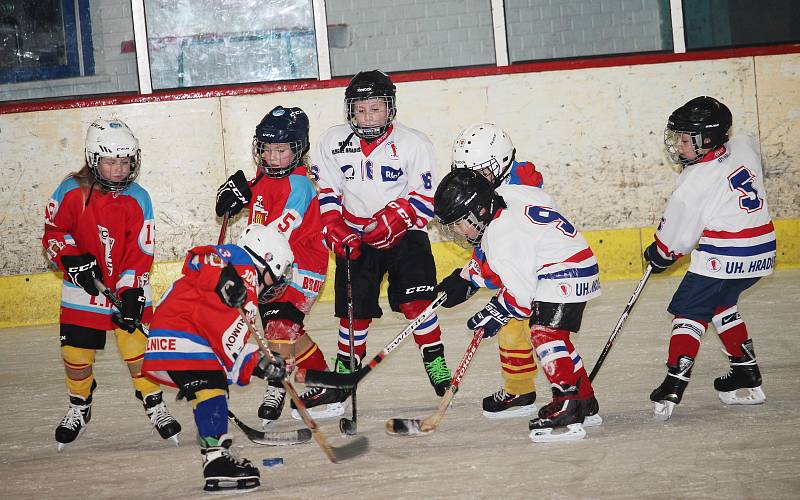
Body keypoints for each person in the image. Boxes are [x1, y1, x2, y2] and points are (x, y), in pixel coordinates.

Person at [307, 69, 452, 412]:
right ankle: (345, 372)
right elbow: (327, 190)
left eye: (375, 108)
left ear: (390, 108)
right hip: (356, 237)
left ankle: (435, 362)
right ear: (350, 110)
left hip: (406, 236)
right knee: (353, 313)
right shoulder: (332, 141)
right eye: (360, 109)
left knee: (418, 303)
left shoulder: (414, 143)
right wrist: (332, 223)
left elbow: (427, 197)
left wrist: (397, 216)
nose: (368, 116)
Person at [42, 118, 181, 451]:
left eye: (125, 160)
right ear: (93, 159)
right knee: (75, 353)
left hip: (128, 284)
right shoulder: (70, 191)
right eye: (111, 161)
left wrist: (131, 289)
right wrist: (71, 259)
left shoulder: (139, 198)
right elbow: (54, 232)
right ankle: (79, 404)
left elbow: (141, 250)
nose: (119, 168)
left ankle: (154, 403)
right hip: (83, 286)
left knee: (138, 350)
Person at [433, 169, 601, 442]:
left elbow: (523, 299)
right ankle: (584, 400)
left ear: (479, 211)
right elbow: (541, 205)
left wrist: (496, 312)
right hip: (578, 262)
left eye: (459, 222)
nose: (456, 231)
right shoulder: (508, 195)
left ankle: (567, 403)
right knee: (557, 338)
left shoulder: (501, 238)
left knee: (544, 334)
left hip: (561, 272)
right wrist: (467, 278)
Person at [646, 96, 775, 421]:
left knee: (689, 311)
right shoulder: (742, 146)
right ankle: (746, 371)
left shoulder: (694, 183)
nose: (678, 144)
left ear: (707, 140)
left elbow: (673, 244)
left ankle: (674, 382)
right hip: (762, 253)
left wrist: (658, 254)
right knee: (720, 304)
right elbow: (745, 145)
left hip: (724, 255)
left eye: (685, 139)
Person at [141, 224, 292, 493]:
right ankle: (216, 462)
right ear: (267, 259)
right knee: (212, 389)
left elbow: (229, 349)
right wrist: (225, 277)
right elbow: (199, 257)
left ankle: (215, 462)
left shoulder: (247, 300)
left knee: (213, 390)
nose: (279, 282)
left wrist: (261, 364)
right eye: (277, 275)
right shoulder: (238, 262)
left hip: (186, 339)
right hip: (184, 333)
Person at [215, 106, 332, 424]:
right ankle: (323, 382)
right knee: (285, 328)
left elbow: (278, 233)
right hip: (271, 267)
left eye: (280, 150)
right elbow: (257, 212)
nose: (272, 157)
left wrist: (240, 266)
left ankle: (276, 386)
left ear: (298, 150)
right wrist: (237, 199)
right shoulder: (262, 179)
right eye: (266, 149)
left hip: (301, 268)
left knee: (280, 325)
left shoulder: (300, 186)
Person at [439, 122, 543, 419]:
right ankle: (521, 389)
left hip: (538, 272)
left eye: (482, 174)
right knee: (513, 331)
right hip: (519, 272)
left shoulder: (516, 194)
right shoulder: (496, 187)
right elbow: (488, 239)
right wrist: (467, 276)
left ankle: (569, 392)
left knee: (545, 332)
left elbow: (502, 244)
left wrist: (471, 277)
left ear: (503, 162)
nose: (476, 182)